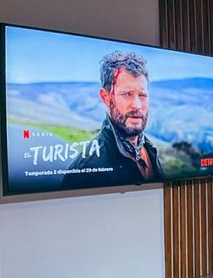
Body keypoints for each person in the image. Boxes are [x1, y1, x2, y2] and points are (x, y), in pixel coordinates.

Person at [62, 51, 164, 189]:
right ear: (106, 97)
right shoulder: (87, 168)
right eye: (127, 94)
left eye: (142, 95)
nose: (137, 105)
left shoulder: (149, 150)